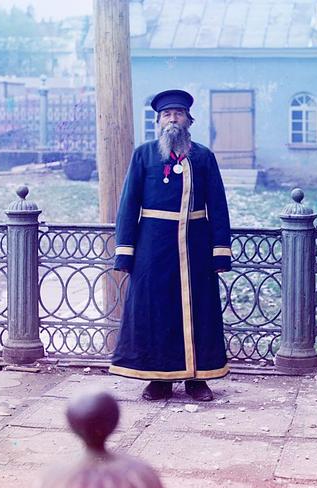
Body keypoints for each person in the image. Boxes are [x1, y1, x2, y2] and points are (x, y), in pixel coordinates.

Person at [109, 89, 232, 402]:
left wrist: (220, 249)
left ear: (188, 120)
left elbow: (218, 204)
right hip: (153, 247)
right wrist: (125, 250)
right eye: (167, 114)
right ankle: (157, 380)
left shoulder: (203, 156)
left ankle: (198, 380)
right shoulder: (144, 155)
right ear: (158, 121)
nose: (173, 118)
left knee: (199, 312)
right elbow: (128, 204)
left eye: (178, 113)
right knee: (155, 312)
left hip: (195, 247)